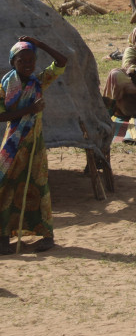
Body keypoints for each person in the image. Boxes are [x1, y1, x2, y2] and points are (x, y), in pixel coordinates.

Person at [1, 36, 68, 253]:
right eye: (23, 61)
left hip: (34, 144)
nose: (28, 64)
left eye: (32, 60)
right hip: (12, 144)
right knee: (6, 187)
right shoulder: (5, 85)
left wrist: (39, 44)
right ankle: (4, 237)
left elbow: (61, 62)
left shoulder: (38, 81)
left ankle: (46, 235)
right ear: (13, 62)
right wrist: (30, 110)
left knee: (38, 186)